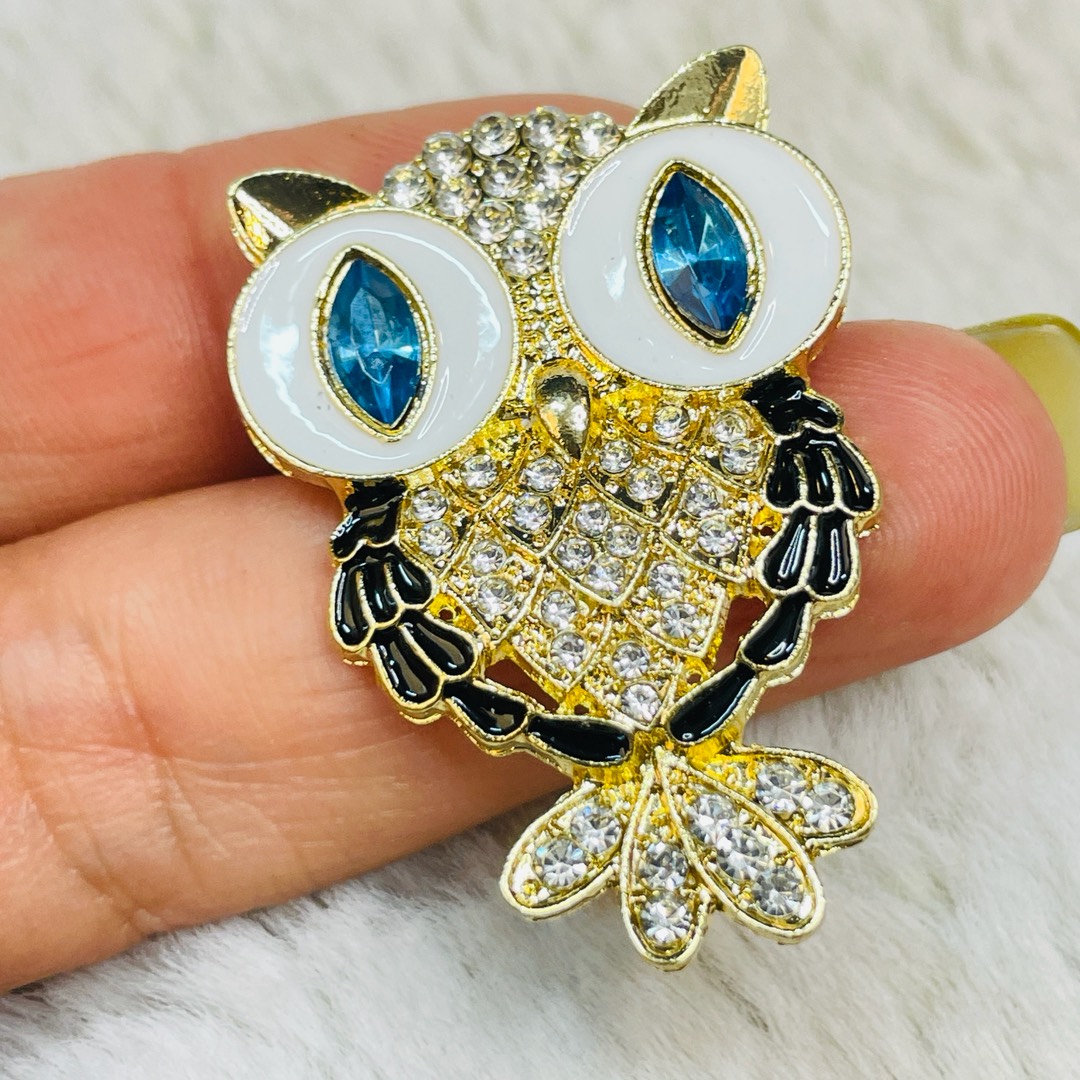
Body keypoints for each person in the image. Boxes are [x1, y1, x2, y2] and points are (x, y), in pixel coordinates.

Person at [0, 96, 1069, 991]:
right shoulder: (419, 512)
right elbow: (426, 651)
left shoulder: (746, 430)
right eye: (403, 339)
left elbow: (813, 537)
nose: (560, 397)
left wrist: (734, 664)